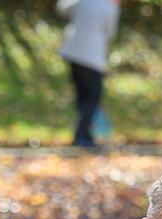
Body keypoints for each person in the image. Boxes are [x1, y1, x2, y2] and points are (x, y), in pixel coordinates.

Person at [57, 0, 120, 148]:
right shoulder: (110, 7)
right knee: (93, 97)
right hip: (92, 57)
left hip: (72, 52)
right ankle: (81, 135)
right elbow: (110, 32)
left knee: (82, 96)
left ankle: (85, 134)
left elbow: (62, 9)